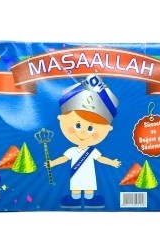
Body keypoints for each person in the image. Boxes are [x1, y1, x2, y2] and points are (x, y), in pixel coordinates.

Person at [47, 74, 121, 208]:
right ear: (61, 120)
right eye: (77, 125)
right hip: (76, 175)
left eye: (91, 128)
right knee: (75, 187)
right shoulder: (72, 150)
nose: (83, 132)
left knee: (89, 187)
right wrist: (52, 163)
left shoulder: (93, 151)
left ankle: (89, 199)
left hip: (88, 175)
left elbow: (101, 159)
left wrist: (111, 162)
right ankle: (75, 198)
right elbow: (64, 158)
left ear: (107, 129)